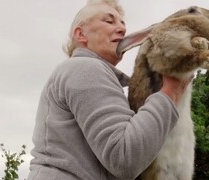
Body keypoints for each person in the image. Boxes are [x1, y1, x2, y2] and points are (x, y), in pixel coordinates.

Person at [27, 0, 192, 180]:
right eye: (109, 21)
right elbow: (124, 158)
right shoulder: (85, 67)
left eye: (123, 24)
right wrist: (171, 92)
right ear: (80, 34)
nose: (122, 29)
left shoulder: (83, 71)